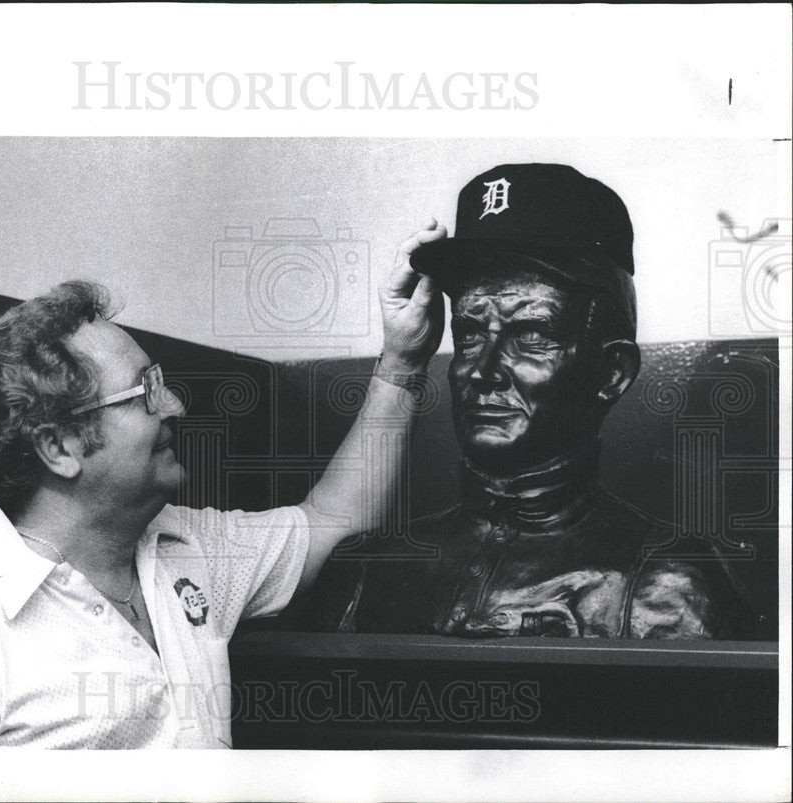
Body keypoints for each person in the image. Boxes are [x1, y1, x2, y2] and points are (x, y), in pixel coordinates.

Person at [0, 227, 446, 749]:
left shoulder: (191, 552)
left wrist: (403, 361)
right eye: (144, 394)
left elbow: (333, 521)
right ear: (59, 448)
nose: (176, 406)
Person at [304, 163, 754, 639]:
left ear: (612, 372)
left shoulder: (670, 584)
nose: (483, 370)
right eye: (471, 333)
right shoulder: (371, 567)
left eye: (531, 334)